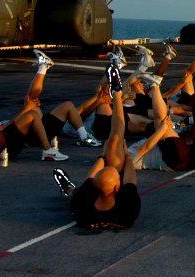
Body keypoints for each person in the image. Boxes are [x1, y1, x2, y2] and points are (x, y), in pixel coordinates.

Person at [53, 60, 141, 230]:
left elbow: (91, 176)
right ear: (117, 186)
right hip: (107, 188)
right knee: (116, 140)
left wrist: (103, 155)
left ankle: (67, 188)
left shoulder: (84, 207)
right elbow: (130, 178)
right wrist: (127, 156)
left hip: (90, 193)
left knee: (74, 194)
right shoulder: (128, 210)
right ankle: (116, 92)